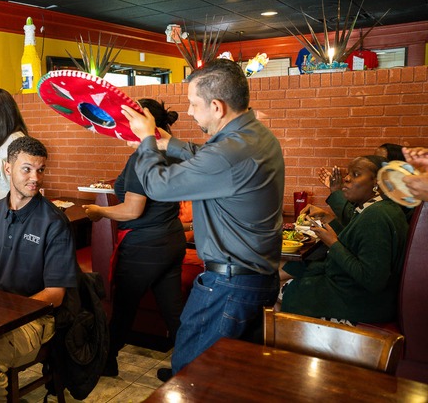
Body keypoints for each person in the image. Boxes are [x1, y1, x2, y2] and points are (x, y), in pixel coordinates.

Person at [123, 59, 285, 379]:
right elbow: (209, 157)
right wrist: (168, 143)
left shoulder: (227, 153)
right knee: (232, 376)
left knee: (192, 374)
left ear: (216, 106)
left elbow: (159, 186)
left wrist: (144, 143)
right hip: (257, 277)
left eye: (194, 104)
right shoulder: (256, 135)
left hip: (230, 284)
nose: (190, 112)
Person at [0, 136, 77, 402]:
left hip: (36, 320)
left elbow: (55, 294)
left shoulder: (54, 222)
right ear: (7, 168)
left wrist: (5, 317)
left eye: (40, 170)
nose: (35, 178)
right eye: (27, 169)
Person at [82, 99, 186, 376]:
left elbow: (132, 209)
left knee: (124, 307)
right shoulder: (173, 150)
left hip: (145, 246)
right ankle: (190, 367)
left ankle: (105, 361)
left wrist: (98, 211)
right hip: (172, 240)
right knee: (174, 311)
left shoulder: (143, 156)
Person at [281, 156, 408, 323]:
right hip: (354, 291)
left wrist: (333, 243)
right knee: (290, 277)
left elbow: (372, 280)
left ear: (377, 183)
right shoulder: (378, 208)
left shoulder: (377, 216)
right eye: (348, 173)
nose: (346, 178)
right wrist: (328, 218)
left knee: (281, 293)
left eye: (355, 174)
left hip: (360, 302)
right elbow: (356, 242)